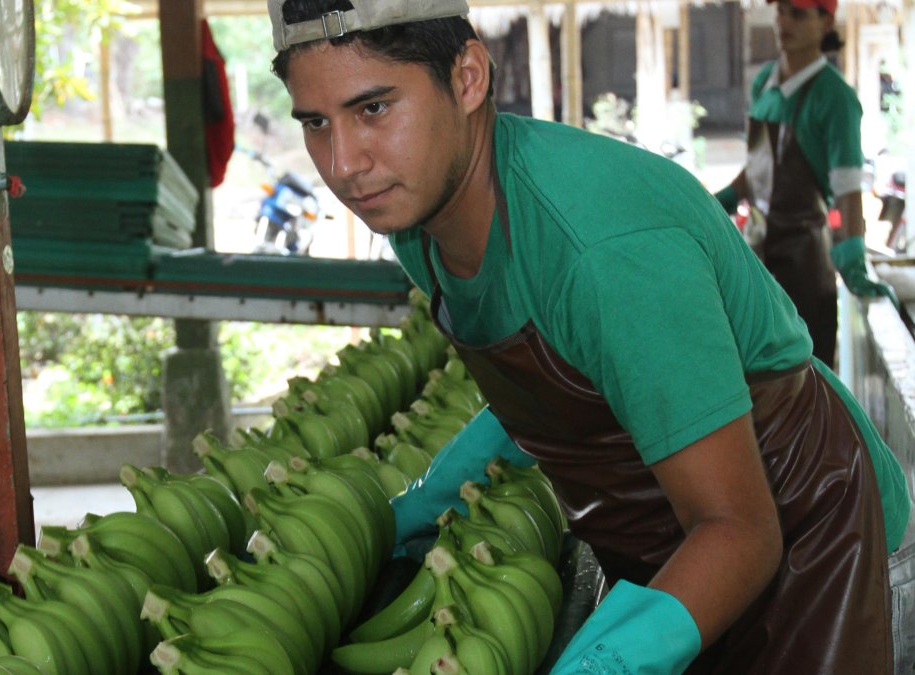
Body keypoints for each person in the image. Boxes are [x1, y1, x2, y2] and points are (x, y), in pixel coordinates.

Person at [267, 0, 910, 672]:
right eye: (316, 122)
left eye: (373, 109)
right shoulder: (419, 221)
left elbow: (742, 534)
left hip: (827, 548)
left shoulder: (601, 251)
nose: (343, 164)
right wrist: (427, 497)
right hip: (691, 558)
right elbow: (564, 387)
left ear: (467, 79)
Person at [713, 0, 893, 365]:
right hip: (755, 258)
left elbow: (846, 192)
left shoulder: (835, 97)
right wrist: (721, 202)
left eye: (798, 14)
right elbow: (758, 168)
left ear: (826, 21)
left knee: (805, 379)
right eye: (781, 11)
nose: (783, 21)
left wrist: (853, 259)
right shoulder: (765, 82)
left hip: (806, 265)